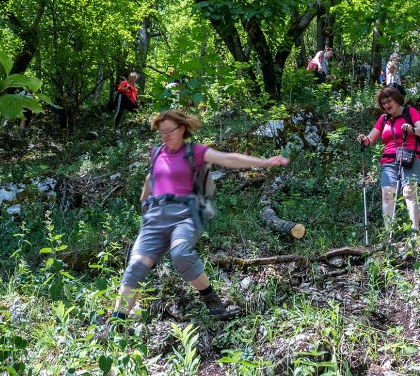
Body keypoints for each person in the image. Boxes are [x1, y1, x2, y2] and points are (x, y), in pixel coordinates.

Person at [108, 110, 289, 328]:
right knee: (136, 266)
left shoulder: (195, 152)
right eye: (161, 131)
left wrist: (264, 162)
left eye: (169, 130)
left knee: (181, 253)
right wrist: (144, 200)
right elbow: (151, 176)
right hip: (155, 218)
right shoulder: (156, 153)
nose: (164, 135)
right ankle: (117, 324)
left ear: (182, 129)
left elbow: (228, 158)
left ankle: (211, 299)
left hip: (185, 215)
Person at [356, 86, 420, 233]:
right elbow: (370, 139)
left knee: (409, 191)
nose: (386, 105)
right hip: (389, 161)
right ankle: (389, 234)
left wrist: (412, 130)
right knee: (387, 194)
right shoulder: (384, 119)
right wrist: (364, 140)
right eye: (383, 103)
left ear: (397, 99)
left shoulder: (410, 112)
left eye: (389, 101)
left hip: (410, 157)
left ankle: (415, 231)